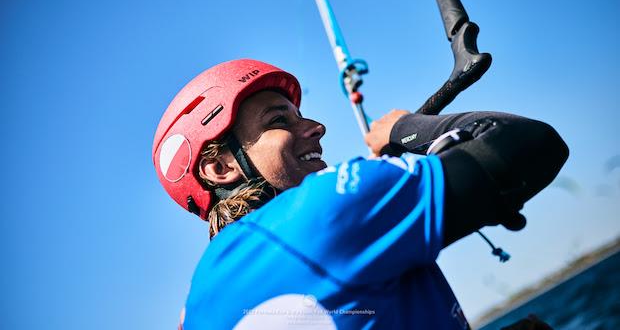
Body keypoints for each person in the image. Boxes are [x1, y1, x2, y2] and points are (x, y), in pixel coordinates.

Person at [153, 59, 568, 329]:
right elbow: (531, 144)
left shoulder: (195, 310)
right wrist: (406, 128)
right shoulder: (325, 210)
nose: (316, 127)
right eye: (279, 119)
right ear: (220, 167)